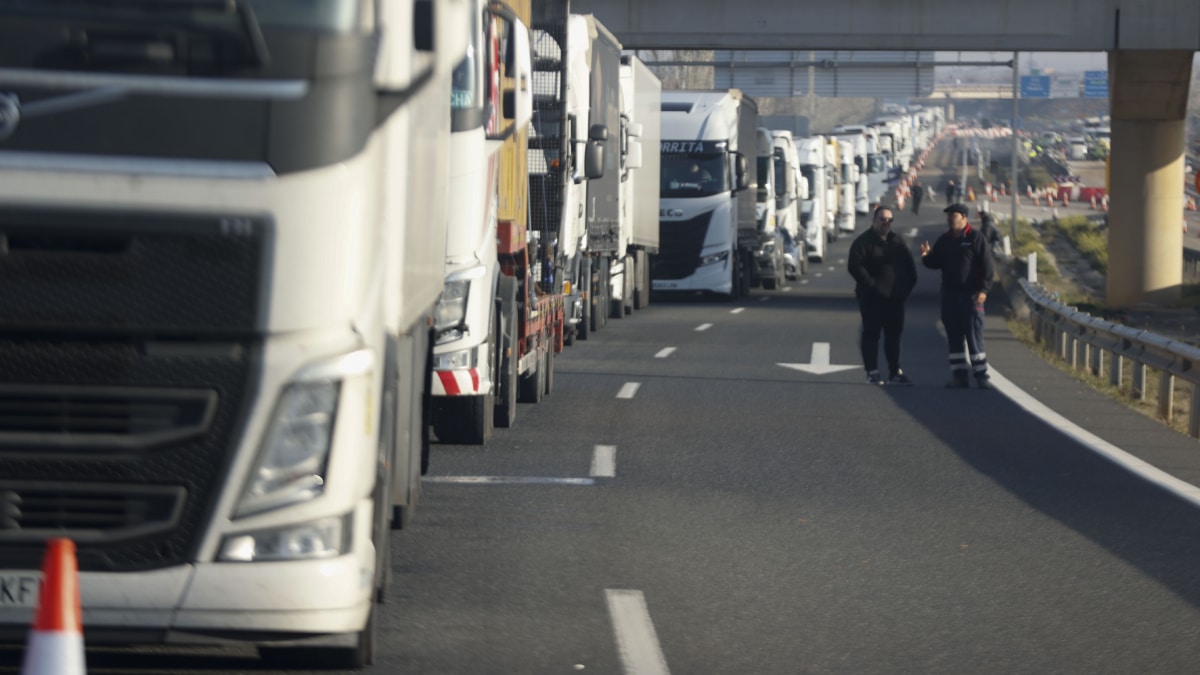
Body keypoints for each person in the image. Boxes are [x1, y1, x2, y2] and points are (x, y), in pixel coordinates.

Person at [920, 203, 995, 389]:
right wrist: (926, 256)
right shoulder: (945, 240)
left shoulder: (976, 238)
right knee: (953, 337)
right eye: (948, 215)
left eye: (953, 215)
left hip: (971, 296)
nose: (949, 218)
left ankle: (981, 375)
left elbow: (988, 267)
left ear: (963, 217)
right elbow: (935, 262)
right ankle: (959, 376)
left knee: (973, 336)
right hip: (949, 295)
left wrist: (984, 290)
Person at [848, 206, 919, 386]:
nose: (886, 223)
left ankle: (895, 371)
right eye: (882, 219)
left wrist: (904, 291)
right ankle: (872, 371)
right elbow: (854, 266)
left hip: (895, 300)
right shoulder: (863, 242)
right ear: (874, 220)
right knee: (871, 334)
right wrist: (871, 286)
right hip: (871, 299)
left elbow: (911, 269)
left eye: (889, 220)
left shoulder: (897, 242)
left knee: (894, 336)